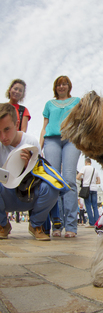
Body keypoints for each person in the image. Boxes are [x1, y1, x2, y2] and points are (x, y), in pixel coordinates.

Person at [0, 103, 59, 240]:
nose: (3, 137)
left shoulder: (31, 141)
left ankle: (35, 225)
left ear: (17, 124)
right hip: (6, 194)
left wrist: (29, 167)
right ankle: (3, 224)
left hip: (29, 193)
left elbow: (41, 177)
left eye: (7, 129)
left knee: (52, 187)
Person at [40, 76, 80, 238]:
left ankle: (71, 225)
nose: (61, 86)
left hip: (71, 140)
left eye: (64, 84)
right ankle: (57, 223)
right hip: (52, 141)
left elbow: (82, 121)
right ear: (55, 87)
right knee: (53, 181)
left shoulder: (77, 101)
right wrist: (39, 146)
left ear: (69, 86)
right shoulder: (49, 104)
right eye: (58, 84)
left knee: (69, 179)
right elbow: (44, 127)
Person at [76, 158, 100, 228]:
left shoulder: (84, 168)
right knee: (95, 206)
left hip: (87, 188)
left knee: (88, 205)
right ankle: (97, 222)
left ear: (85, 162)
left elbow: (77, 177)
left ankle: (91, 223)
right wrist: (93, 182)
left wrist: (84, 180)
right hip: (94, 189)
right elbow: (99, 181)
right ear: (91, 162)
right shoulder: (95, 169)